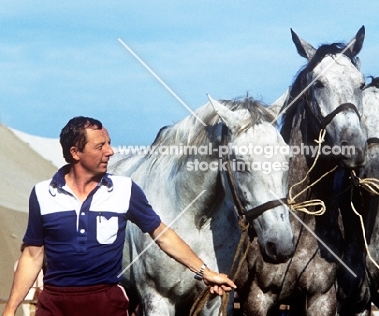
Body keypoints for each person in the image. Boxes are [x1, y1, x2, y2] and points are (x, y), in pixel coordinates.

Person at [2, 116, 236, 316]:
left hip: (105, 303)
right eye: (100, 146)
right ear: (75, 152)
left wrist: (206, 273)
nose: (110, 152)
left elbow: (163, 235)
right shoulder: (43, 194)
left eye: (109, 143)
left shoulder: (124, 189)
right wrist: (11, 309)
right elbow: (32, 257)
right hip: (55, 305)